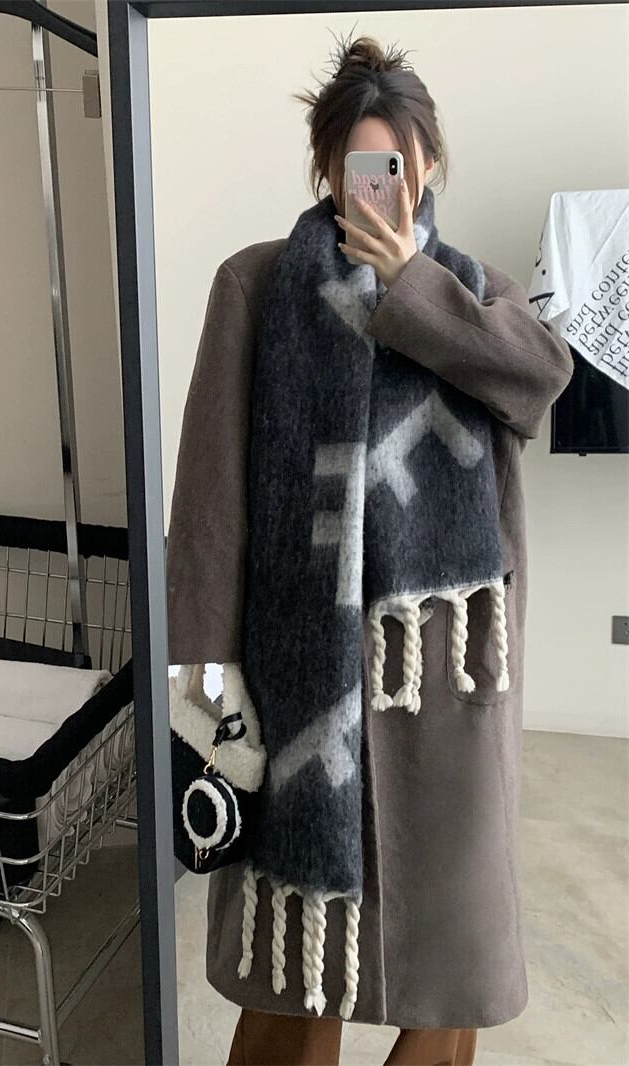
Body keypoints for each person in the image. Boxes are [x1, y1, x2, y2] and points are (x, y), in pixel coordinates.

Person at [165, 31, 574, 1066]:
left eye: (396, 161)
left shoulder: (472, 291)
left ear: (428, 162)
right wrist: (202, 682)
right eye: (358, 164)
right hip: (301, 679)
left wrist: (410, 291)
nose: (379, 186)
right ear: (326, 169)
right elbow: (209, 503)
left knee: (448, 963)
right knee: (297, 973)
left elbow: (540, 382)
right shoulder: (257, 285)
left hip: (443, 681)